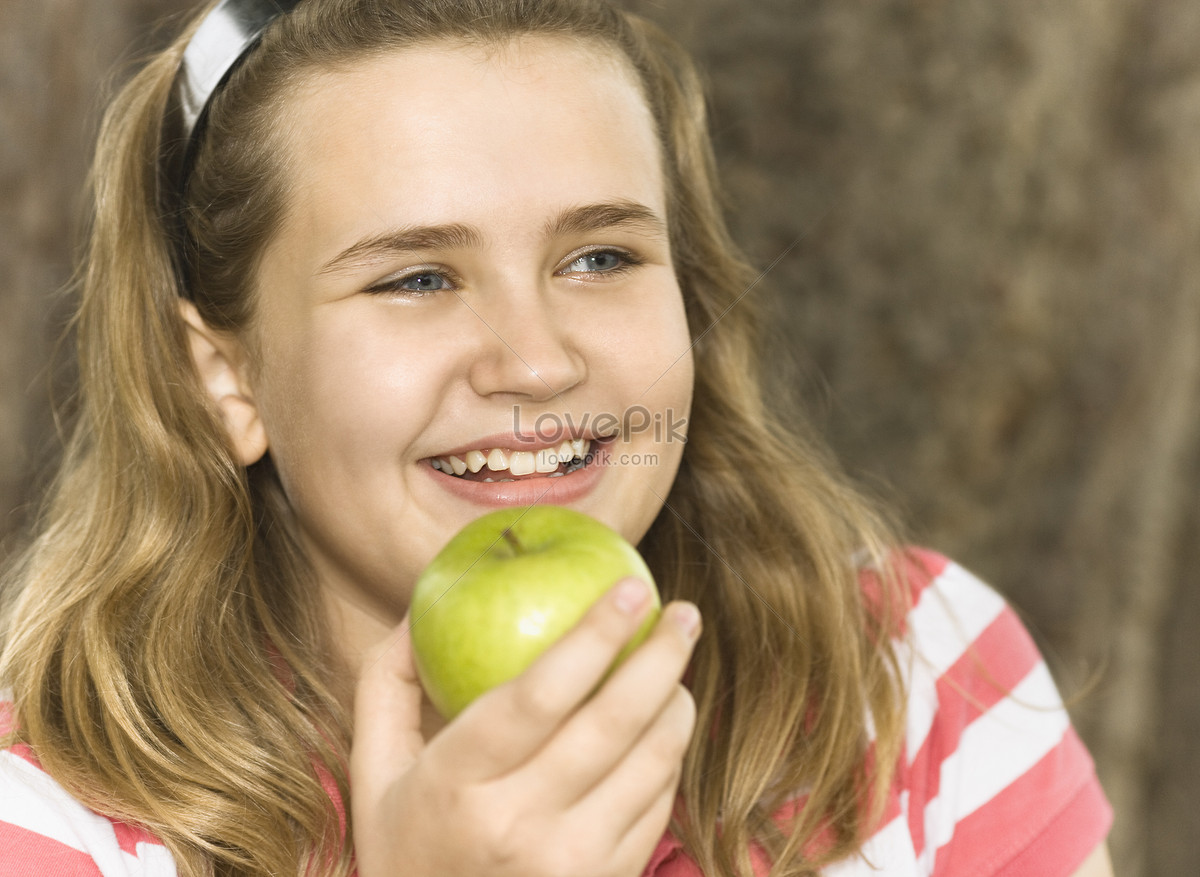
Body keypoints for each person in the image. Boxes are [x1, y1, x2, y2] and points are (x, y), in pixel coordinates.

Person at [0, 0, 1113, 874]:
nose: (535, 362)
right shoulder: (46, 821)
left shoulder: (911, 682)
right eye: (419, 277)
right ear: (227, 376)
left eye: (600, 258)